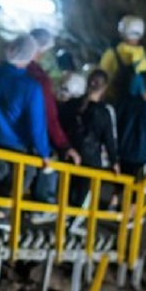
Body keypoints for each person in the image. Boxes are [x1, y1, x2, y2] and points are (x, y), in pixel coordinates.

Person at [0, 34, 52, 206]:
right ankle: (2, 219)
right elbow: (37, 126)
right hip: (19, 150)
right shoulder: (31, 87)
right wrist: (44, 153)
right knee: (12, 195)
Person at [27, 29, 80, 208]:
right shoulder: (40, 79)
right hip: (30, 138)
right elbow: (49, 117)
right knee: (48, 163)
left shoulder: (9, 71)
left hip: (3, 136)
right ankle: (43, 206)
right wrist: (64, 145)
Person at [59, 70, 119, 209]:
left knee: (68, 189)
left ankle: (64, 216)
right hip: (91, 159)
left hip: (70, 154)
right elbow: (109, 140)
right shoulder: (104, 112)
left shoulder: (72, 104)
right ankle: (73, 220)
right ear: (104, 88)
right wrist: (114, 162)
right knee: (83, 194)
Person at [100, 15, 146, 101]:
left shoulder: (110, 54)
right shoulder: (141, 54)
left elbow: (102, 76)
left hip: (114, 98)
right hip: (135, 102)